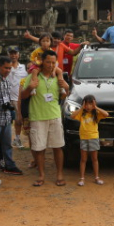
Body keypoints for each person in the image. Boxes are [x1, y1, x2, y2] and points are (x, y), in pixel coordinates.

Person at [21, 50, 68, 186]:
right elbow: (23, 96)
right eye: (48, 62)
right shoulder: (33, 76)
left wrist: (66, 87)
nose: (51, 65)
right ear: (42, 61)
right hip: (37, 117)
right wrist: (29, 88)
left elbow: (64, 95)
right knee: (39, 148)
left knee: (57, 147)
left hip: (54, 115)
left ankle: (59, 174)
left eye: (53, 62)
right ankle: (41, 175)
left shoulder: (58, 76)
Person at [71, 94, 109, 186]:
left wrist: (96, 107)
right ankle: (82, 178)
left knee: (94, 159)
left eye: (90, 104)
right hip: (84, 138)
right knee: (83, 159)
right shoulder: (81, 114)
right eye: (86, 104)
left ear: (94, 104)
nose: (88, 106)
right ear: (83, 104)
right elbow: (72, 116)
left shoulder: (96, 114)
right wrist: (81, 108)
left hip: (94, 138)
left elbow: (106, 114)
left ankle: (96, 177)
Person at [6, 46, 28, 148]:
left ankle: (17, 139)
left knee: (18, 120)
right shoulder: (5, 66)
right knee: (5, 121)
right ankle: (4, 141)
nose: (13, 55)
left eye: (15, 53)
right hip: (5, 97)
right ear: (8, 54)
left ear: (19, 55)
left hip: (17, 98)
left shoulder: (24, 68)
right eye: (11, 53)